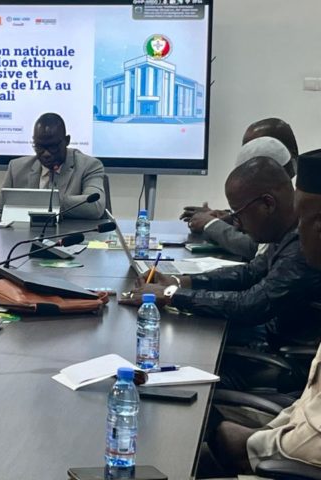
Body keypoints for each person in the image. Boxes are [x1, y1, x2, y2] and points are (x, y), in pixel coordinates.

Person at [122, 156, 321, 349]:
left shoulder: (304, 245)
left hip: (279, 350)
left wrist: (169, 294)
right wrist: (179, 281)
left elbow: (251, 305)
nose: (237, 224)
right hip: (269, 333)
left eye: (238, 214)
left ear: (268, 204)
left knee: (178, 345)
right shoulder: (286, 234)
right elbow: (249, 273)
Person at [207, 149, 321, 475]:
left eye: (303, 219)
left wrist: (247, 443)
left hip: (290, 462)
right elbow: (309, 404)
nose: (298, 230)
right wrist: (269, 432)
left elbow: (312, 444)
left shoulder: (298, 253)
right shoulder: (290, 242)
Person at [180, 118, 299, 260]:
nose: (250, 154)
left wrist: (211, 224)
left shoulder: (308, 203)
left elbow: (256, 247)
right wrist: (232, 217)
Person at [0, 113, 105, 220]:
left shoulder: (89, 166)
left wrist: (47, 202)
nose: (46, 154)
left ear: (66, 141)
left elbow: (96, 206)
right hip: (26, 235)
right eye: (39, 147)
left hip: (70, 234)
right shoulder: (16, 168)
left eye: (52, 147)